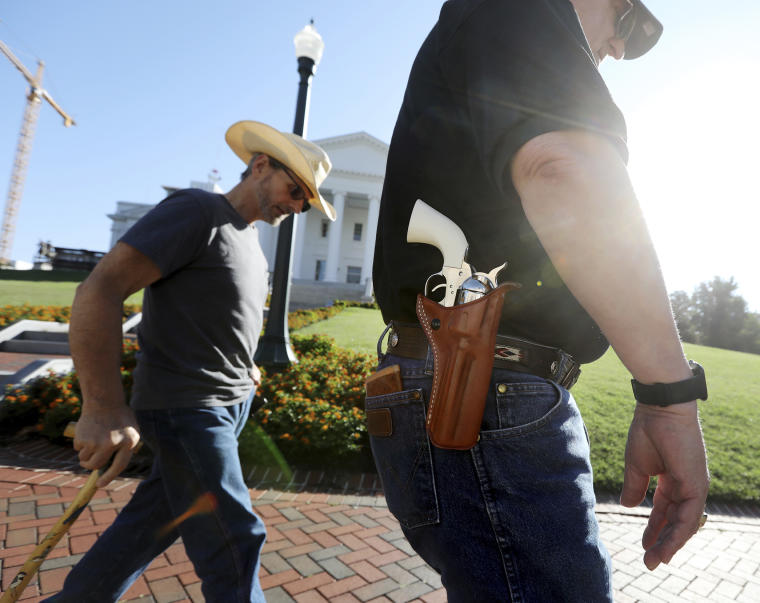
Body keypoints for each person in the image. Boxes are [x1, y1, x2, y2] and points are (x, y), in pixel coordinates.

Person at [369, 1, 709, 600]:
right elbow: (562, 168)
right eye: (626, 20)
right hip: (483, 391)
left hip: (463, 378)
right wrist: (670, 400)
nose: (622, 48)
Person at [46, 121, 334, 602]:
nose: (299, 205)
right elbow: (99, 289)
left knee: (147, 528)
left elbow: (220, 318)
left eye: (307, 199)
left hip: (228, 405)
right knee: (235, 541)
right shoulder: (198, 211)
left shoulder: (250, 242)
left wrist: (247, 370)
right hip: (188, 409)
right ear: (260, 165)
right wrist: (102, 407)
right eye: (296, 189)